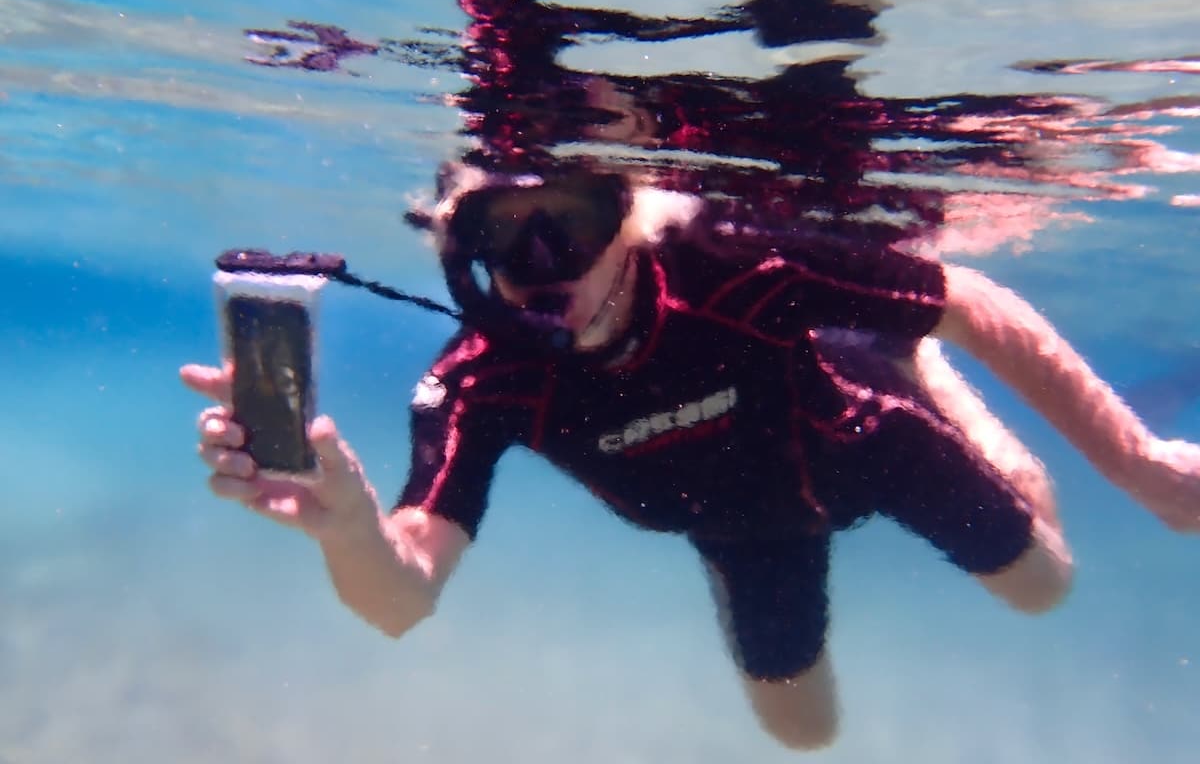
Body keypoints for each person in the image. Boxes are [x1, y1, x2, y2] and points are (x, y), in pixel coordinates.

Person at [182, 165, 1200, 750]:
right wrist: (351, 527)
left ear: (626, 220)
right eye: (504, 230)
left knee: (1043, 589)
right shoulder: (486, 377)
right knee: (802, 731)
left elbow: (971, 298)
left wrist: (1144, 465)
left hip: (869, 444)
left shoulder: (728, 269)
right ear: (461, 239)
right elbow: (401, 599)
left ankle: (926, 378)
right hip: (742, 526)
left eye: (572, 224)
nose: (546, 269)